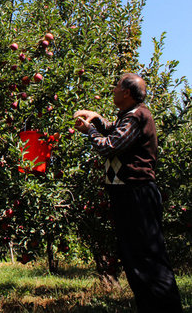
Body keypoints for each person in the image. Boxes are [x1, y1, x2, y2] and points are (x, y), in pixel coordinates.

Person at [74, 73, 182, 312]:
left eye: (116, 86)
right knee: (135, 259)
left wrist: (90, 131)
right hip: (127, 195)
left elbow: (110, 145)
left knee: (149, 258)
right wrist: (99, 121)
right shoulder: (129, 116)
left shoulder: (137, 115)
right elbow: (115, 131)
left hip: (137, 195)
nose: (113, 89)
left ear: (126, 93)